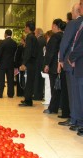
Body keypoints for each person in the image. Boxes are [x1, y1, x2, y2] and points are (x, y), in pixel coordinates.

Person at [58, 1, 83, 130]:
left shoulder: (73, 23)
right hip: (78, 63)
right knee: (78, 93)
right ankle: (76, 119)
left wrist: (61, 59)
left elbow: (65, 42)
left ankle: (75, 119)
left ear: (76, 12)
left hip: (72, 62)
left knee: (74, 92)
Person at [43, 19, 66, 114]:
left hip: (54, 66)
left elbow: (50, 52)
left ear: (56, 26)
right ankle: (60, 106)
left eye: (52, 26)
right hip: (62, 65)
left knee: (54, 87)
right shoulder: (64, 36)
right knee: (61, 88)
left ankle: (53, 108)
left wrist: (47, 64)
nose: (52, 28)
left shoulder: (55, 37)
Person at [19, 21, 38, 106]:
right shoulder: (33, 37)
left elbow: (28, 51)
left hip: (30, 63)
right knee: (29, 81)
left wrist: (24, 63)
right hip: (32, 62)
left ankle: (28, 101)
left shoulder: (29, 37)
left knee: (29, 82)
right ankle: (27, 99)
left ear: (28, 28)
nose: (24, 29)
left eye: (25, 27)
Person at [0, 30, 17, 98]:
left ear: (5, 34)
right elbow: (15, 54)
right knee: (10, 79)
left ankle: (0, 94)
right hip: (11, 63)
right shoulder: (14, 43)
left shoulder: (2, 42)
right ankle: (10, 94)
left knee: (1, 79)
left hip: (2, 63)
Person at [33, 28, 46, 101]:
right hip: (42, 62)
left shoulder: (37, 41)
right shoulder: (44, 40)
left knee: (37, 79)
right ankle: (40, 94)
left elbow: (35, 52)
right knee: (41, 80)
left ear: (37, 33)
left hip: (38, 62)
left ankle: (37, 95)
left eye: (35, 32)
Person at [41, 30, 53, 105]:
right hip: (47, 66)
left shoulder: (50, 46)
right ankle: (47, 99)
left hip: (49, 67)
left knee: (48, 85)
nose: (47, 39)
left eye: (47, 37)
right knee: (47, 84)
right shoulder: (46, 46)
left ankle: (48, 100)